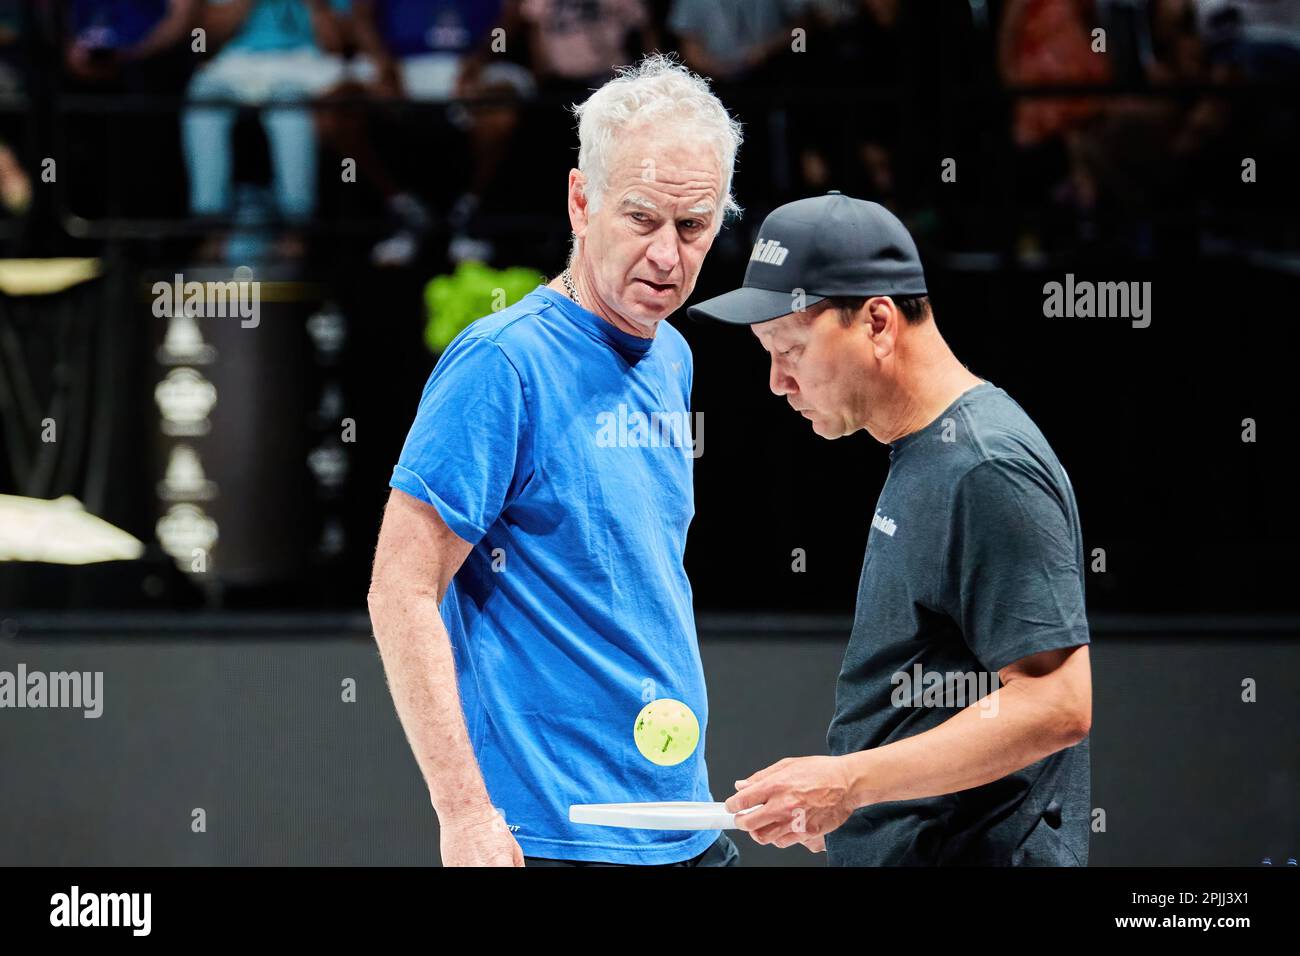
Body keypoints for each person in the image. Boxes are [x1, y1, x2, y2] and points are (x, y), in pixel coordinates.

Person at [367, 54, 744, 866]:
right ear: (581, 201)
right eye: (641, 219)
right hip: (550, 835)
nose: (668, 256)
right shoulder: (500, 364)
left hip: (680, 820)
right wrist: (464, 813)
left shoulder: (673, 356)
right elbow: (400, 588)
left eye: (693, 226)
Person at [690, 192, 1092, 866]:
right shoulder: (929, 451)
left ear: (877, 321)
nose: (775, 381)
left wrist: (850, 783)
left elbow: (1056, 703)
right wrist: (864, 803)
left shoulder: (985, 467)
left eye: (788, 348)